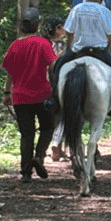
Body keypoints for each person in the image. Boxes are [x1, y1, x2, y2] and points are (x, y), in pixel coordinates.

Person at [47, 0, 111, 117]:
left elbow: (70, 32)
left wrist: (69, 49)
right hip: (99, 51)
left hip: (78, 50)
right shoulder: (104, 11)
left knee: (59, 67)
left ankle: (54, 98)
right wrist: (108, 49)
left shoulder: (77, 9)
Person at [2, 8, 57, 183]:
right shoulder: (43, 44)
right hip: (43, 94)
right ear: (38, 25)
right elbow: (53, 65)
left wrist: (7, 92)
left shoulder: (14, 46)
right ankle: (39, 157)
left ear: (21, 26)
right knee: (47, 128)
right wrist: (55, 87)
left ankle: (26, 172)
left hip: (20, 97)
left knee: (27, 134)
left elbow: (9, 72)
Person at [43, 17, 67, 161]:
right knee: (62, 113)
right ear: (57, 29)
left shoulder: (44, 44)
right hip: (57, 82)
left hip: (42, 83)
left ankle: (47, 146)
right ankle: (57, 143)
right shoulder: (64, 47)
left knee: (47, 116)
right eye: (63, 26)